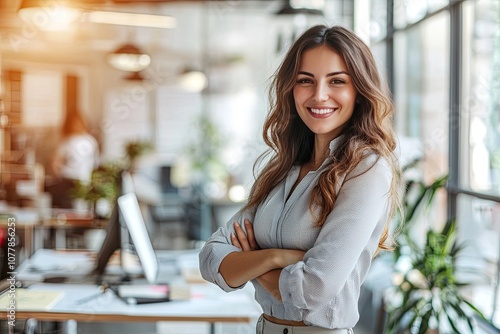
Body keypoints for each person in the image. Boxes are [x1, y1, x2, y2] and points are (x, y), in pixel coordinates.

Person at [199, 24, 402, 334]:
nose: (319, 95)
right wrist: (275, 257)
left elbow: (313, 291)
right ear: (290, 89)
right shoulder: (282, 167)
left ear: (359, 91)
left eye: (337, 81)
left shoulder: (367, 170)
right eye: (305, 81)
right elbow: (211, 256)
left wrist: (249, 262)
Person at [46, 110, 99, 208]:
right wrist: (60, 177)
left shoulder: (90, 141)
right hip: (68, 182)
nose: (76, 125)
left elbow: (95, 164)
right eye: (74, 123)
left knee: (81, 210)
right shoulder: (66, 142)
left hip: (84, 183)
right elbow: (55, 163)